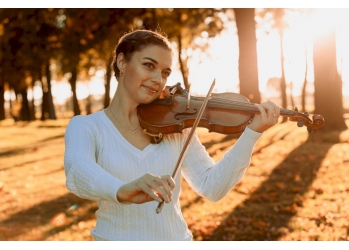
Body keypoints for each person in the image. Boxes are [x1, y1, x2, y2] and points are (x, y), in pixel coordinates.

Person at [64, 29, 280, 241]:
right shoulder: (86, 126)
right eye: (149, 65)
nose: (158, 79)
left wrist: (252, 133)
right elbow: (77, 171)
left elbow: (212, 187)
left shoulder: (176, 126)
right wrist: (122, 190)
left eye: (165, 72)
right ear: (122, 62)